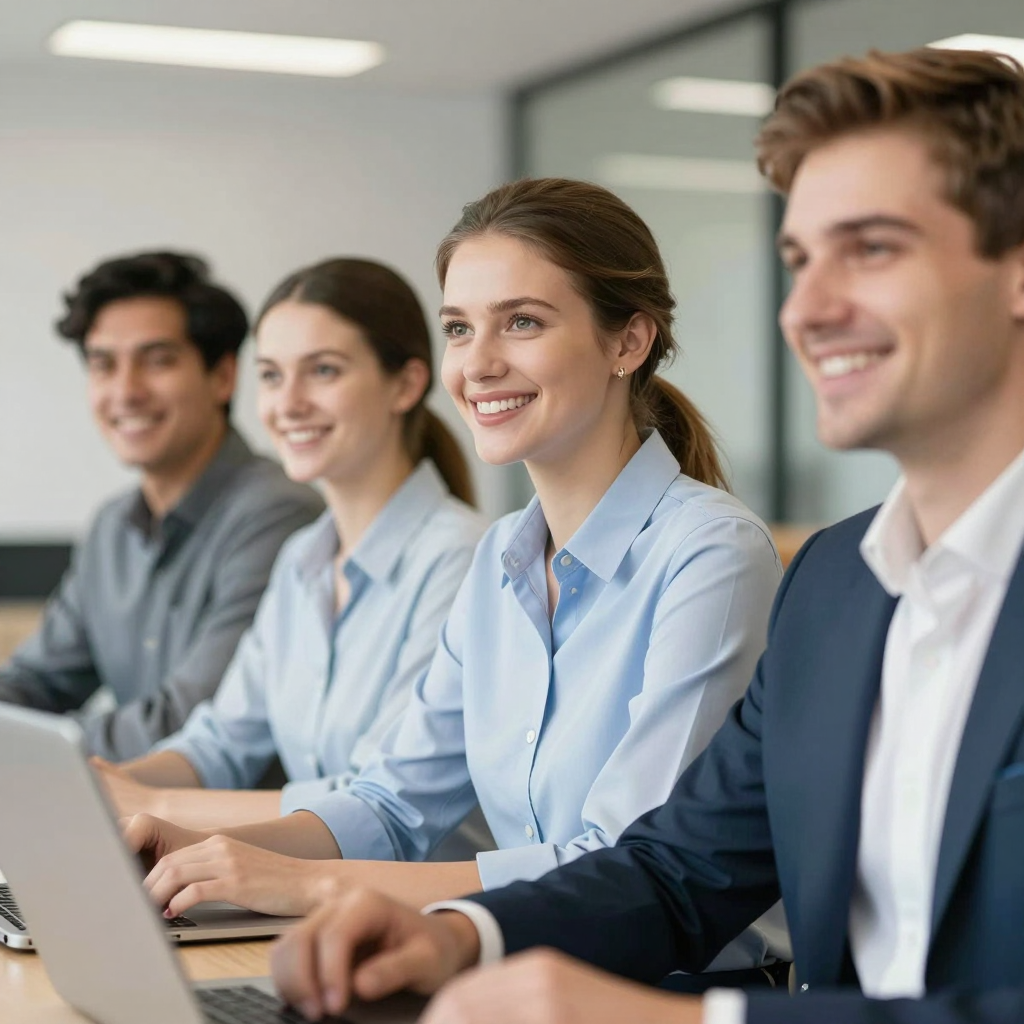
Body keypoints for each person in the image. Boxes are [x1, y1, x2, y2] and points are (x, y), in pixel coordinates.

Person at [263, 46, 1024, 1024]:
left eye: (870, 248)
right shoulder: (836, 583)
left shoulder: (726, 551)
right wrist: (457, 932)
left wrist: (692, 1020)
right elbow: (681, 866)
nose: (807, 308)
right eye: (797, 259)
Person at [122, 179, 784, 978]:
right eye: (460, 329)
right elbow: (392, 803)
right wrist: (203, 852)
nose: (478, 363)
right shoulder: (500, 558)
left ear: (627, 342)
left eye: (524, 322)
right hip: (514, 978)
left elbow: (622, 865)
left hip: (665, 994)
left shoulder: (710, 555)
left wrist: (307, 884)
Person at [92, 258, 489, 847]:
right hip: (316, 894)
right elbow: (222, 741)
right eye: (272, 376)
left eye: (323, 371)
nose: (289, 404)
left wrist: (153, 803)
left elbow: (377, 796)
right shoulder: (303, 557)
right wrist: (106, 784)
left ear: (406, 384)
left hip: (426, 908)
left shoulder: (463, 559)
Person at [0, 251, 322, 761]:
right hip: (133, 821)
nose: (126, 391)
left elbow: (187, 723)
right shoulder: (112, 527)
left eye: (157, 360)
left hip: (238, 831)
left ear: (223, 376)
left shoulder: (279, 515)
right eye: (104, 364)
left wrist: (34, 752)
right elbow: (37, 682)